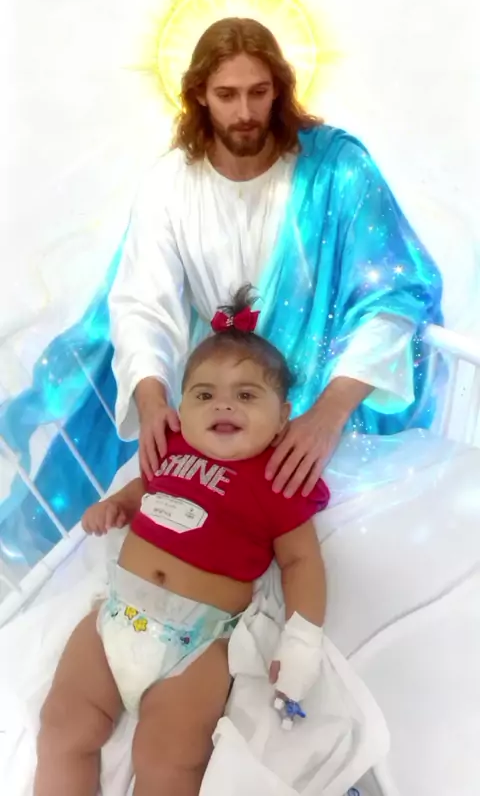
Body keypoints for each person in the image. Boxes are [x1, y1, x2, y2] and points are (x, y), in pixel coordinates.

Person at [108, 16, 443, 500]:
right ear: (199, 94)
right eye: (227, 95)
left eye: (259, 92)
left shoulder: (337, 170)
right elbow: (143, 304)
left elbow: (395, 295)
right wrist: (152, 398)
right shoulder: (168, 184)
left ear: (279, 90)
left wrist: (326, 416)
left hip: (326, 413)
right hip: (218, 415)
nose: (245, 112)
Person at [34, 287, 329, 796]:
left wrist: (302, 640)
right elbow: (143, 489)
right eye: (204, 395)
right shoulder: (170, 448)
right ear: (181, 407)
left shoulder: (277, 477)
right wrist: (117, 505)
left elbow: (302, 561)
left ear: (283, 419)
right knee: (61, 726)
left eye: (246, 395)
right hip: (116, 617)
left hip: (193, 643)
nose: (223, 405)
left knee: (169, 762)